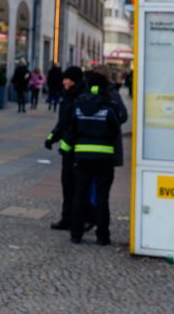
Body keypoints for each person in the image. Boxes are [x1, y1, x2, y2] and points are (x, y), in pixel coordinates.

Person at [63, 72, 123, 246]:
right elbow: (115, 129)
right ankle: (102, 236)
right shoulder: (109, 106)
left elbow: (71, 130)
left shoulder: (79, 105)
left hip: (82, 157)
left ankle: (76, 234)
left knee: (80, 194)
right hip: (104, 158)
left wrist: (65, 150)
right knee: (103, 197)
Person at [45, 66, 85, 231]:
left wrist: (65, 144)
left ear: (73, 80)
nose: (63, 81)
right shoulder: (67, 97)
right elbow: (62, 124)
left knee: (74, 185)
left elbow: (74, 126)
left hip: (76, 150)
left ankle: (75, 220)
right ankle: (67, 218)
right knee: (67, 184)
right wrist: (51, 137)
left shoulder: (78, 99)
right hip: (68, 149)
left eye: (66, 78)